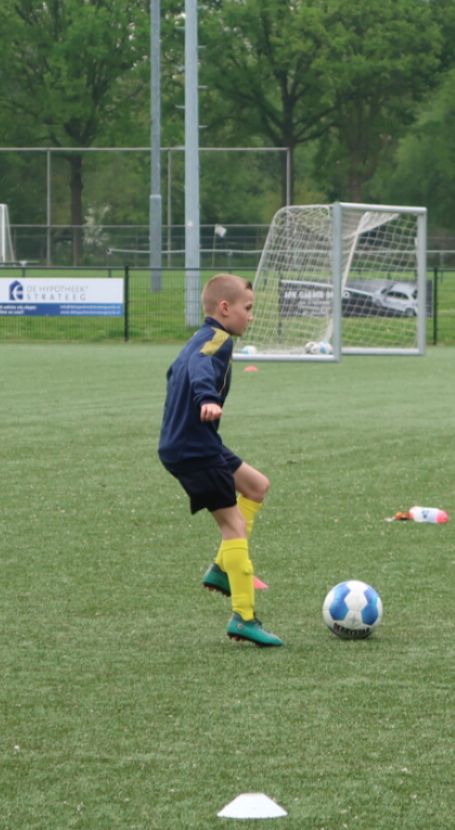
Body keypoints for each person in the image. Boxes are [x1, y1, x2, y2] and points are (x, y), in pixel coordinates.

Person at [159, 273, 284, 646]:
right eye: (248, 308)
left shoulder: (200, 337)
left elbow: (175, 371)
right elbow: (200, 369)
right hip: (194, 450)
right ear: (225, 308)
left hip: (196, 442)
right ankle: (244, 618)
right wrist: (206, 398)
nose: (251, 316)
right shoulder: (218, 340)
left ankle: (220, 569)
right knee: (234, 527)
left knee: (257, 486)